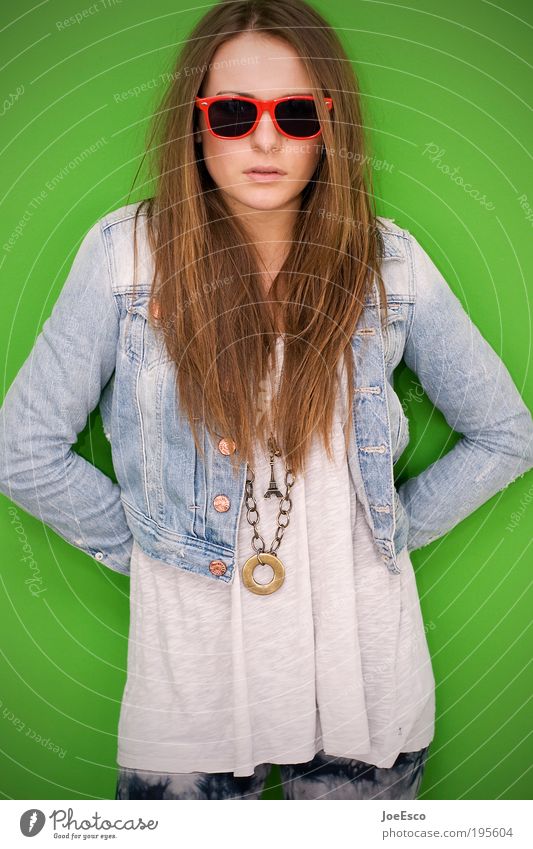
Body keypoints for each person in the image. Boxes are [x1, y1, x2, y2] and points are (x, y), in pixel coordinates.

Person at [1, 0, 532, 801]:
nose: (263, 139)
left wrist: (383, 532)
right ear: (195, 121)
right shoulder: (125, 255)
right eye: (233, 112)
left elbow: (504, 433)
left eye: (293, 113)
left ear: (328, 121)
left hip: (368, 693)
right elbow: (22, 448)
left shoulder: (387, 264)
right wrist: (155, 549)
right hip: (191, 705)